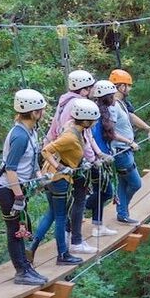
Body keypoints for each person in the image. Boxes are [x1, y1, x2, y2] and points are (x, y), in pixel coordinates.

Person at [28, 99, 101, 265]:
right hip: (59, 178)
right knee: (61, 216)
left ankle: (32, 247)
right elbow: (46, 150)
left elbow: (69, 153)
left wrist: (83, 162)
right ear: (85, 120)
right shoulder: (70, 137)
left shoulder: (72, 128)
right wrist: (60, 167)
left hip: (52, 177)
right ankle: (62, 254)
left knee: (52, 213)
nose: (95, 123)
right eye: (93, 120)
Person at [46, 69, 109, 254]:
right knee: (77, 200)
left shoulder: (65, 102)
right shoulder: (76, 106)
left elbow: (84, 135)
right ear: (82, 89)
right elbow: (80, 138)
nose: (91, 91)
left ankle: (69, 239)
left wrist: (97, 154)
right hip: (71, 160)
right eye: (89, 88)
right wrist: (92, 159)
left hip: (66, 157)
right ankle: (74, 241)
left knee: (70, 203)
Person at [0, 89, 49, 286]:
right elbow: (11, 169)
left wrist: (40, 177)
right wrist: (18, 196)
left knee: (24, 227)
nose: (43, 113)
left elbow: (32, 161)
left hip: (17, 189)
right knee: (15, 229)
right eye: (41, 110)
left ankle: (26, 267)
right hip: (8, 190)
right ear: (34, 113)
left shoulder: (31, 131)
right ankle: (21, 271)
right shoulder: (20, 136)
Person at [109, 69, 150, 224]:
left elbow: (131, 117)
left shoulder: (121, 104)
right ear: (120, 87)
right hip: (120, 152)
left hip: (125, 151)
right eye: (128, 86)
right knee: (136, 183)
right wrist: (129, 142)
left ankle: (122, 213)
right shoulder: (113, 106)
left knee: (125, 182)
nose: (130, 89)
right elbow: (110, 132)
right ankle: (122, 208)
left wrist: (149, 129)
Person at [86, 79, 133, 236]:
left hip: (103, 156)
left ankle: (98, 226)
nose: (114, 99)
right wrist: (97, 155)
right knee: (106, 192)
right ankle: (77, 209)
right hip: (97, 159)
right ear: (106, 97)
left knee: (102, 191)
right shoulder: (96, 113)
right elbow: (92, 137)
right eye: (112, 96)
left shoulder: (105, 111)